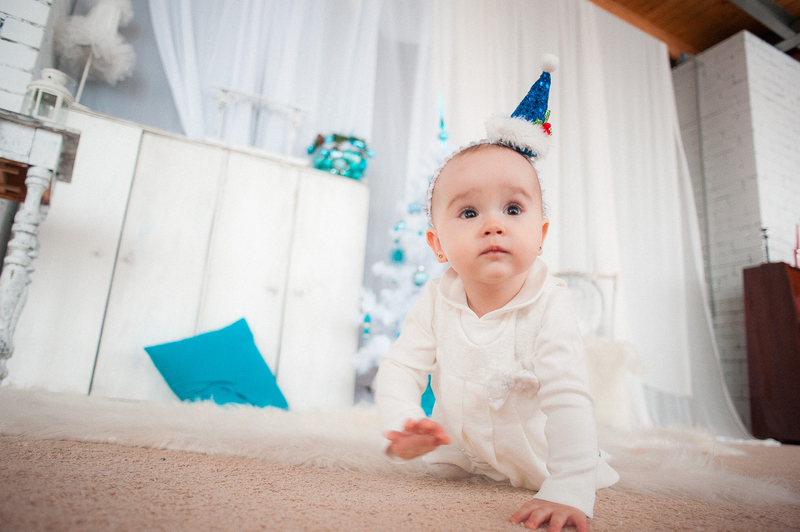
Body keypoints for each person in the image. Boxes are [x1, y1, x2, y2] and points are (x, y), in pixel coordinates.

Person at [374, 56, 619, 532]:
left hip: (539, 457)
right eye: (469, 213)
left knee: (568, 446)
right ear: (437, 245)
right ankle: (458, 452)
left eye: (512, 208)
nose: (492, 224)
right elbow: (401, 367)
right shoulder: (436, 299)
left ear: (541, 234)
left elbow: (568, 395)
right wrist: (403, 421)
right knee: (441, 460)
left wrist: (569, 487)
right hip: (465, 448)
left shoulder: (550, 302)